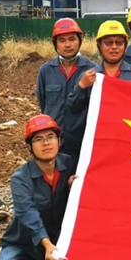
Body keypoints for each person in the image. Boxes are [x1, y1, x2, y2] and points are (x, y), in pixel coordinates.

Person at [68, 19, 131, 260]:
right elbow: (72, 109)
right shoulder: (88, 75)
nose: (114, 47)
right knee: (103, 203)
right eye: (108, 43)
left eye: (119, 43)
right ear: (99, 46)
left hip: (130, 150)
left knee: (130, 204)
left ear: (125, 45)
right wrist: (81, 87)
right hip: (99, 151)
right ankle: (103, 255)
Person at [0, 114, 86, 260]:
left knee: (80, 230)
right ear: (30, 147)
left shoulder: (69, 164)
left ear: (59, 140)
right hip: (24, 242)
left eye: (50, 137)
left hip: (58, 235)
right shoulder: (20, 178)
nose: (46, 143)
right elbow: (28, 213)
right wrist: (47, 244)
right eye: (38, 139)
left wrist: (72, 186)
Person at [36, 18, 96, 169]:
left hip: (81, 142)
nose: (67, 45)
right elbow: (43, 102)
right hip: (54, 143)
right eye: (62, 40)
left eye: (72, 39)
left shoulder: (92, 70)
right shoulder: (46, 71)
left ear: (80, 41)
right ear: (55, 44)